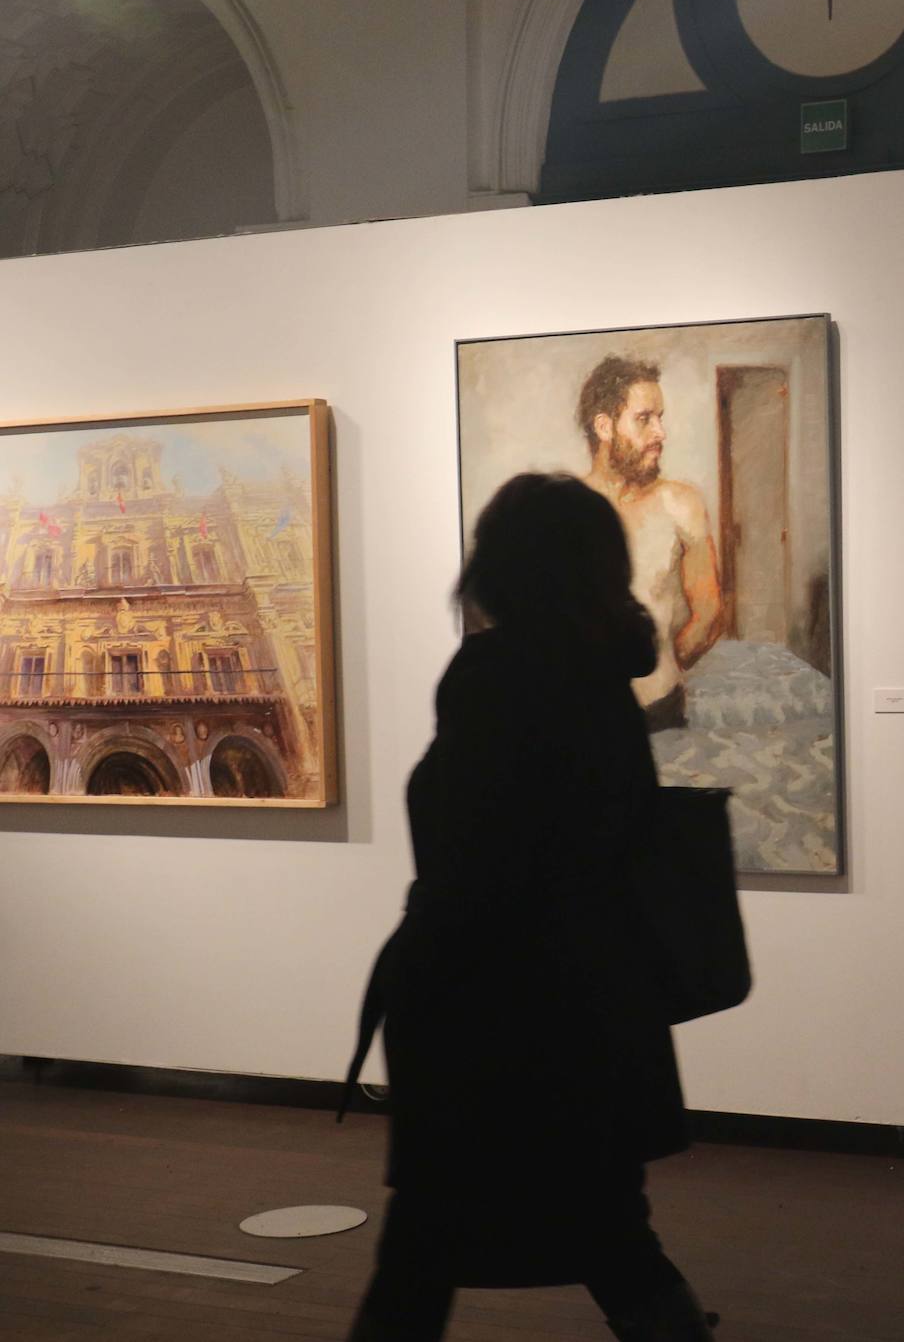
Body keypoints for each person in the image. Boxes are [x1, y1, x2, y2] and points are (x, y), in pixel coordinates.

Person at [346, 473, 718, 1340]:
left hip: (491, 1019)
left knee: (426, 1248)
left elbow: (475, 860)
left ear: (505, 566)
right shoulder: (602, 676)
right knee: (610, 1236)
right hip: (591, 1008)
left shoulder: (497, 677)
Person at [578, 355, 723, 732]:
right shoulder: (562, 509)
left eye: (660, 417)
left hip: (660, 709)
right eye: (644, 419)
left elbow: (708, 611)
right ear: (604, 427)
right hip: (580, 717)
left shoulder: (680, 503)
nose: (660, 433)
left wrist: (663, 663)